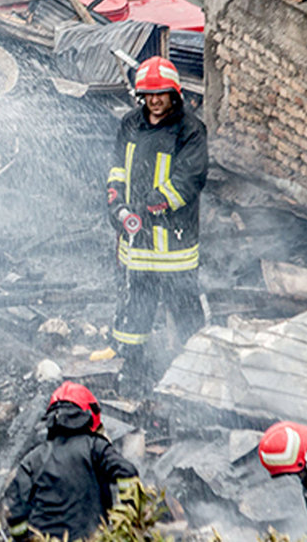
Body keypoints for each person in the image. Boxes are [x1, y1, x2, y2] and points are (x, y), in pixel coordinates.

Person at [105, 55, 208, 396]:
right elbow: (118, 167)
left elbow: (188, 181)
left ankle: (199, 373)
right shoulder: (130, 124)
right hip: (136, 243)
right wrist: (115, 201)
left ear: (174, 94)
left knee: (185, 309)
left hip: (174, 245)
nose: (155, 100)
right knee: (135, 309)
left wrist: (152, 205)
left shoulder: (190, 130)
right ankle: (132, 372)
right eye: (149, 95)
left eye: (161, 94)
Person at [5, 381, 139, 540]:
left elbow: (15, 509)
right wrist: (127, 518)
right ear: (89, 414)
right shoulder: (95, 448)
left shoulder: (33, 460)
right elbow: (127, 473)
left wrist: (23, 538)